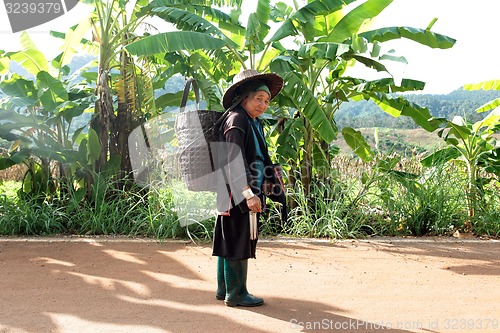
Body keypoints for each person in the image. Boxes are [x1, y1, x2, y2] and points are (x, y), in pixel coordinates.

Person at [212, 69, 283, 307]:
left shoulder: (252, 121)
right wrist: (248, 194)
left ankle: (224, 289)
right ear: (244, 98)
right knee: (239, 239)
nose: (263, 105)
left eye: (266, 101)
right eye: (258, 99)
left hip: (234, 193)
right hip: (238, 193)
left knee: (229, 239)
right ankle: (237, 293)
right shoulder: (237, 119)